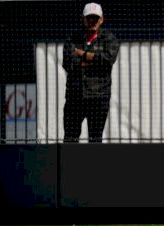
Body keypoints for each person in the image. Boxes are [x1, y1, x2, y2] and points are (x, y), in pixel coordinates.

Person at [62, 2, 119, 143]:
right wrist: (95, 60)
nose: (92, 21)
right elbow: (68, 63)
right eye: (89, 18)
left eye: (95, 18)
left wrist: (82, 54)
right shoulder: (72, 39)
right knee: (70, 137)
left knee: (95, 138)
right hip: (75, 97)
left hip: (99, 97)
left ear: (101, 19)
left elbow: (107, 61)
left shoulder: (109, 39)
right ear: (83, 19)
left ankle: (93, 165)